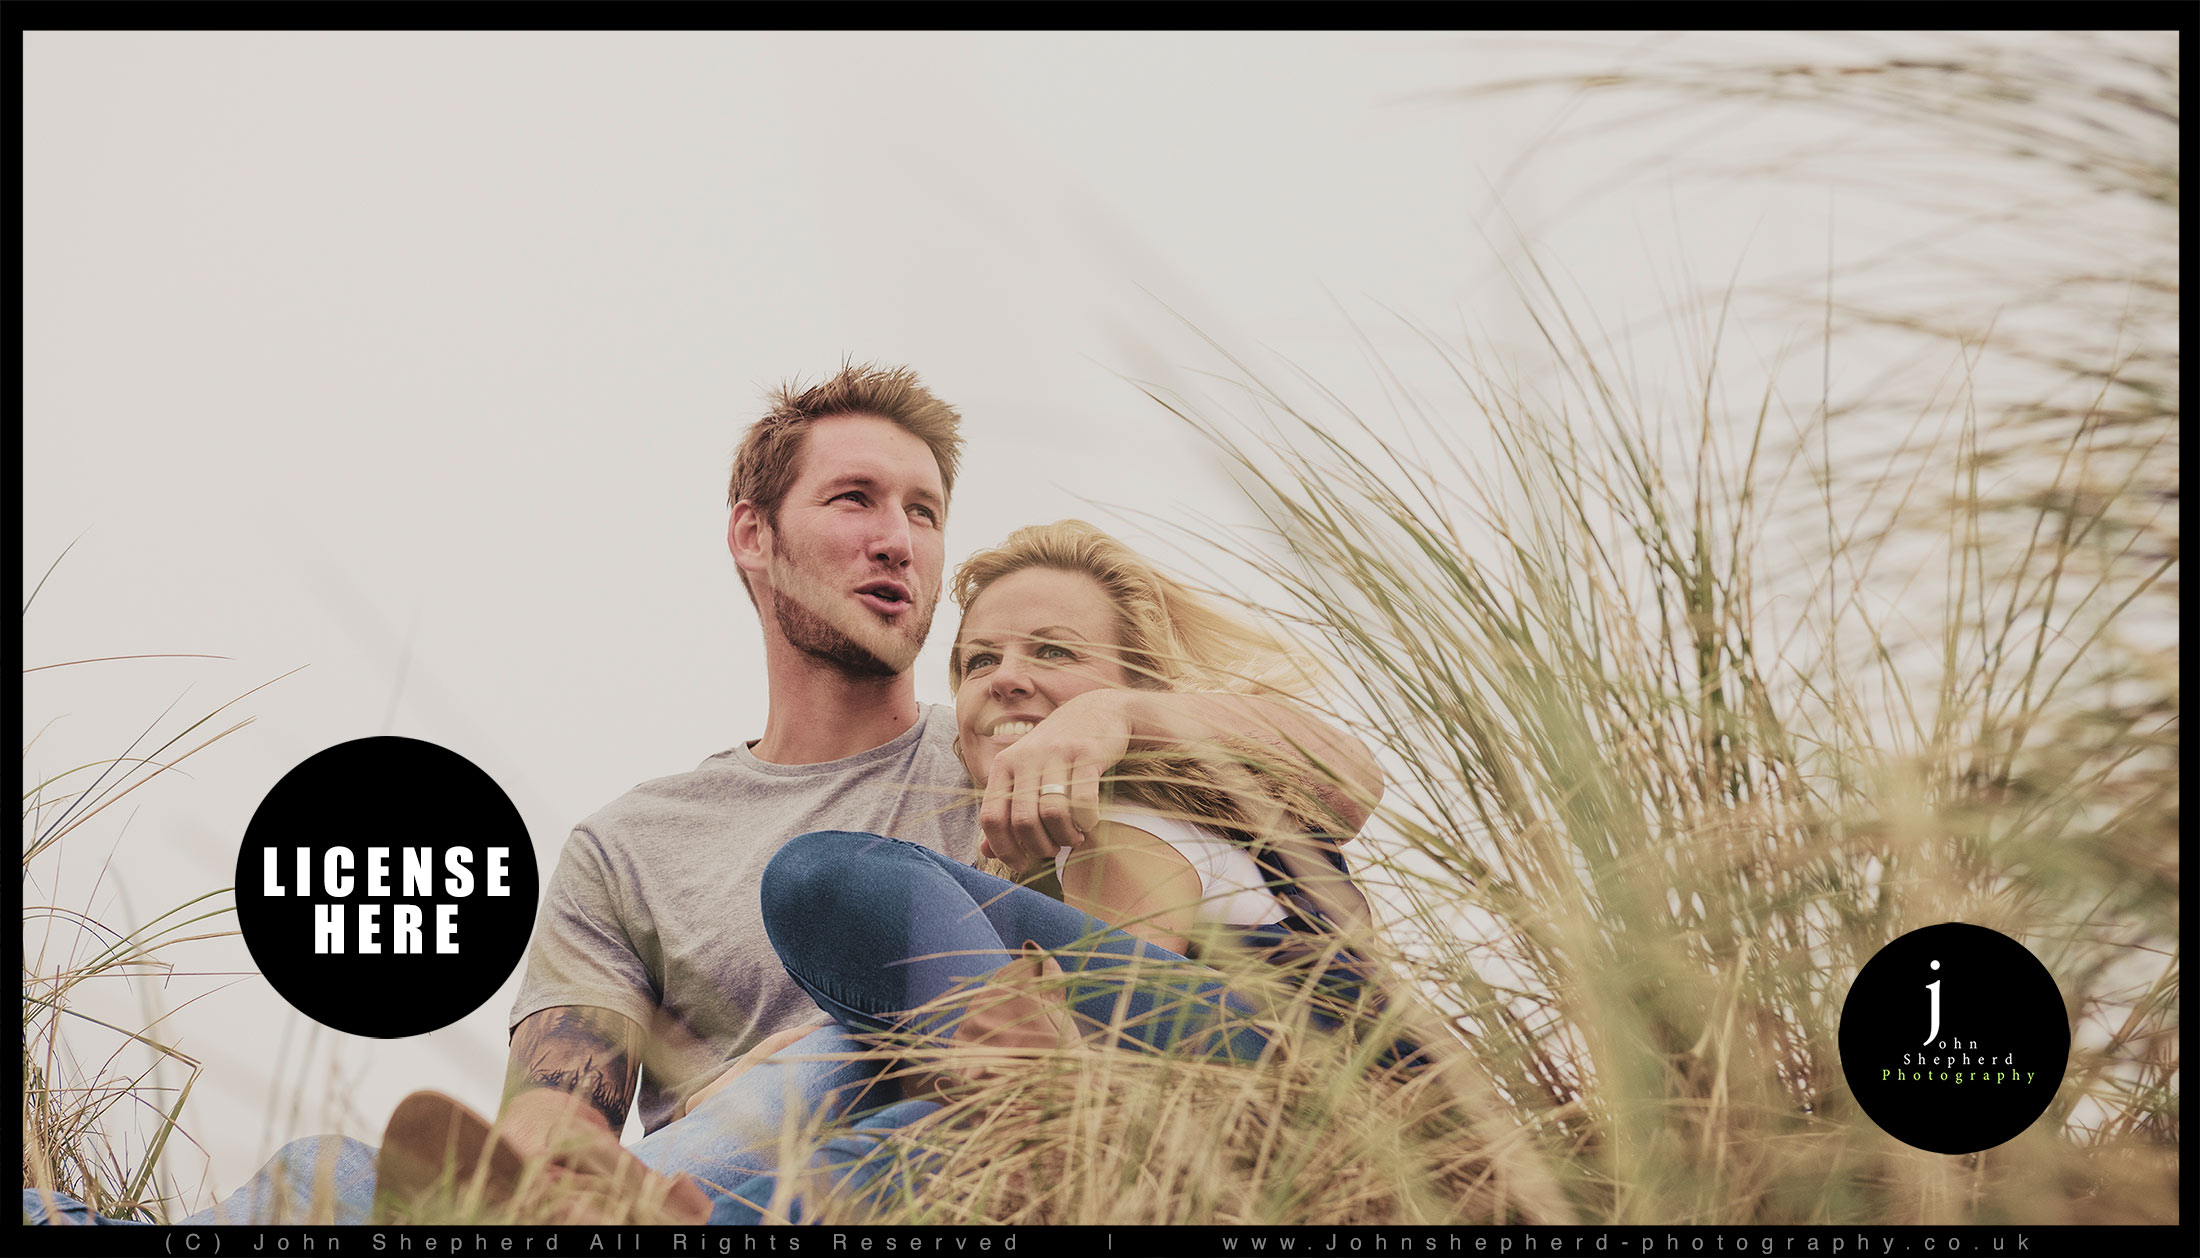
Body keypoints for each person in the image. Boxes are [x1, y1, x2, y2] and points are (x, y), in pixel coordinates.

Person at [26, 362, 1376, 1227]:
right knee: (324, 1174)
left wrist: (1122, 711)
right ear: (753, 536)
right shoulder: (631, 844)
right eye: (854, 497)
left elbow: (1324, 782)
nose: (897, 536)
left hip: (927, 1163)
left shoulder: (1020, 743)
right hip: (657, 1185)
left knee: (875, 1019)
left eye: (922, 508)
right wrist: (556, 1174)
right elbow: (553, 1111)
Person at [725, 520, 1408, 1222]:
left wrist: (1112, 715)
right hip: (1199, 1110)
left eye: (1054, 650)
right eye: (982, 660)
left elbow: (1349, 778)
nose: (1009, 677)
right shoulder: (1053, 862)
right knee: (911, 1140)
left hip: (1295, 1083)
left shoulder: (1144, 796)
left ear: (1143, 684)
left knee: (829, 876)